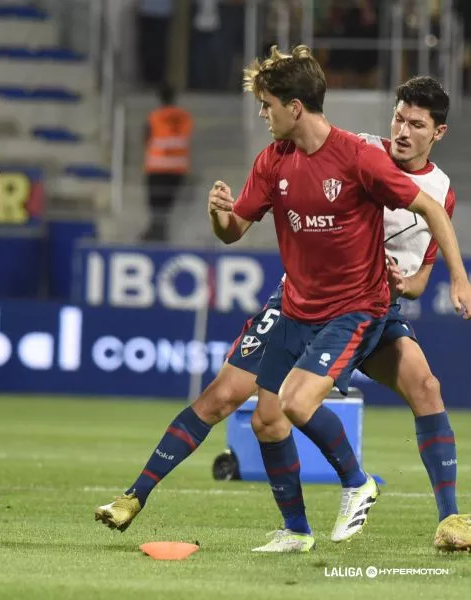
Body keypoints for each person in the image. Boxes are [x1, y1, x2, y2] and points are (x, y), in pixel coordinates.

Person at [97, 49, 471, 553]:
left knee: (422, 386)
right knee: (247, 407)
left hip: (365, 305)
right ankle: (289, 528)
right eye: (398, 118)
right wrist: (220, 215)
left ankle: (446, 517)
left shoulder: (432, 190)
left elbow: (418, 279)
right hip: (298, 300)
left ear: (437, 133)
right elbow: (236, 229)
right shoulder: (359, 151)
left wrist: (447, 277)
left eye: (416, 124)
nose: (403, 131)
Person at [142, 85, 191, 241]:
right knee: (167, 202)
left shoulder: (154, 117)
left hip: (157, 166)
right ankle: (160, 231)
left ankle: (156, 231)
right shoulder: (185, 117)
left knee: (155, 202)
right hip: (178, 168)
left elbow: (146, 138)